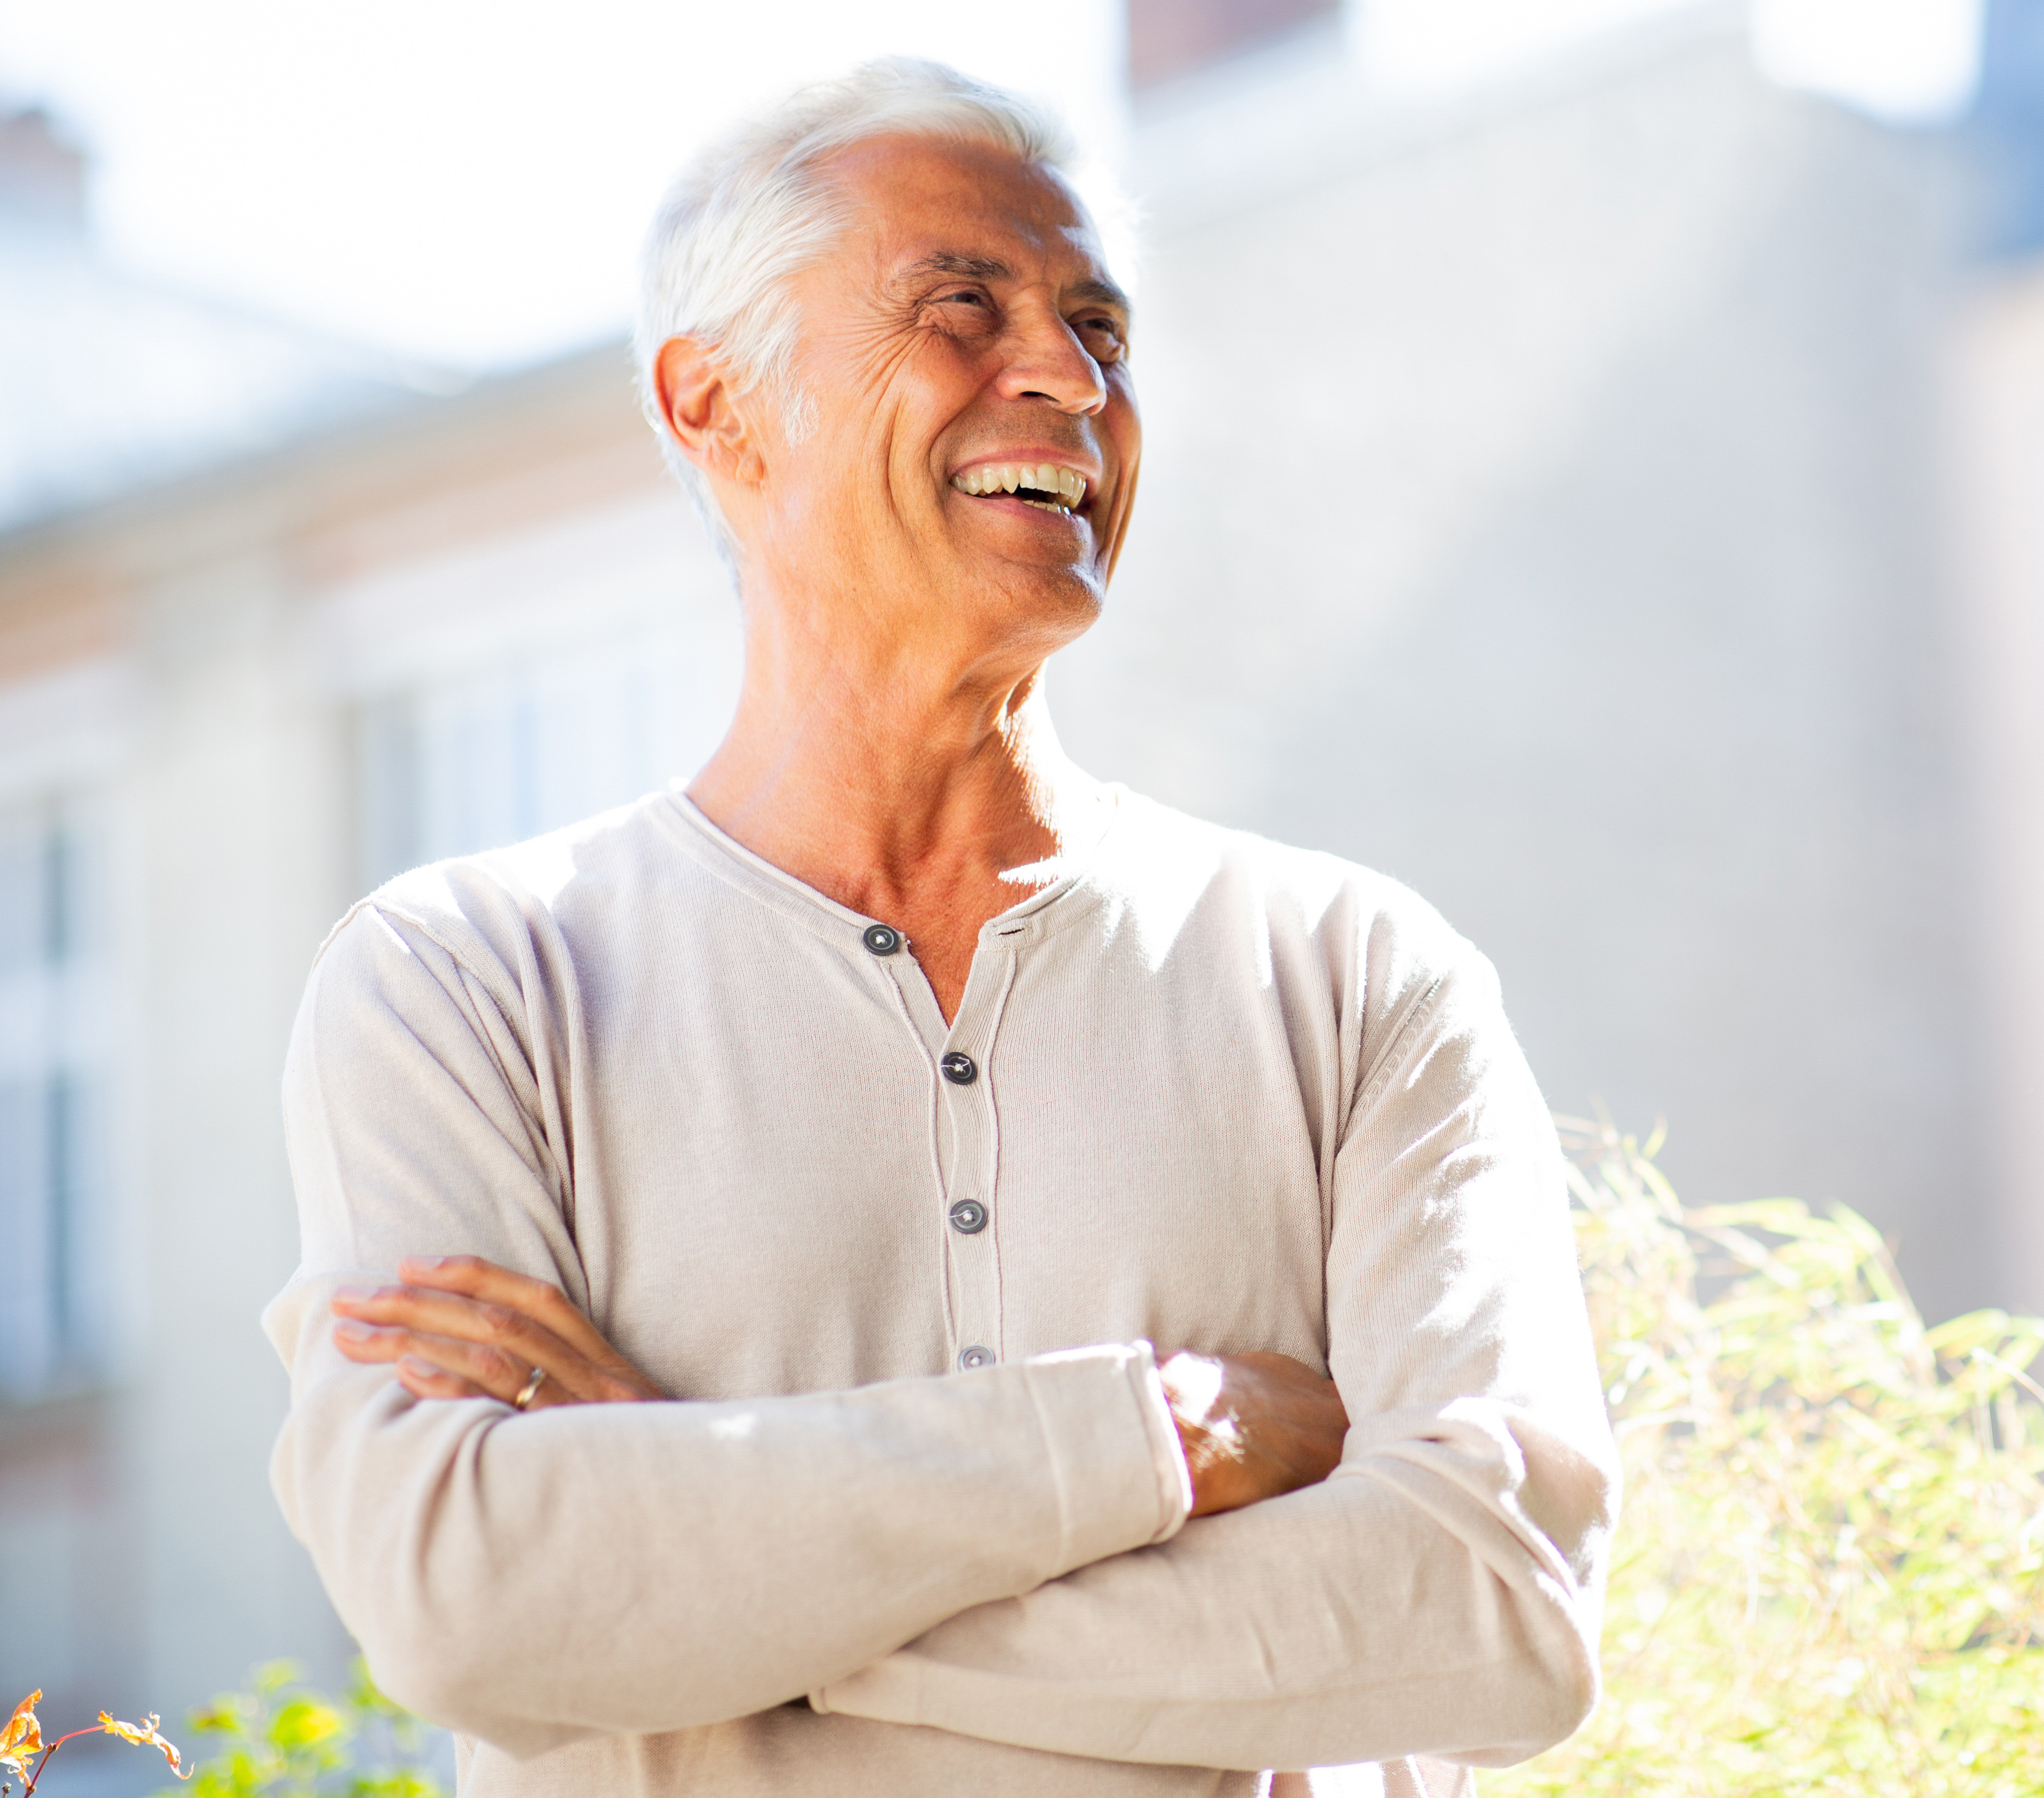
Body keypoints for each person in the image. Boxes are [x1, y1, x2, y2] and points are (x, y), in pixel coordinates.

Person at [264, 56, 1615, 1798]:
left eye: (1100, 327)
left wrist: (716, 1561)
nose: (1068, 376)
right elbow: (464, 1601)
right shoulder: (463, 983)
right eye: (962, 308)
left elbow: (1502, 1608)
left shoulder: (1358, 978)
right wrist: (1151, 1436)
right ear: (721, 409)